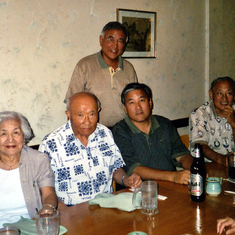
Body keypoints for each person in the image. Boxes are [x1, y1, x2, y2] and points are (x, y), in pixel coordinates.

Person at [39, 92, 141, 206]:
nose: (87, 122)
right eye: (80, 115)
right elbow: (44, 186)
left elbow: (115, 168)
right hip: (71, 209)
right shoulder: (51, 143)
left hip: (106, 205)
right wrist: (64, 212)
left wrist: (126, 179)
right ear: (68, 114)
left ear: (98, 111)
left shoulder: (105, 133)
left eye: (92, 114)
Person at [112, 83, 193, 185]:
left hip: (171, 186)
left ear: (150, 103)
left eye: (142, 100)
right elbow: (133, 168)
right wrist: (173, 176)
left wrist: (195, 169)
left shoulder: (164, 124)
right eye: (132, 102)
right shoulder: (120, 131)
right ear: (125, 108)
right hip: (139, 190)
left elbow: (181, 155)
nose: (138, 107)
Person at [64, 21, 138, 127]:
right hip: (92, 131)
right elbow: (72, 104)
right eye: (110, 39)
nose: (115, 46)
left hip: (123, 132)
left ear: (125, 44)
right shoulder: (85, 65)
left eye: (120, 41)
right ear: (101, 40)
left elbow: (134, 103)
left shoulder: (129, 68)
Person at [0, 111, 57, 228]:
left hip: (31, 225)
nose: (10, 139)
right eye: (3, 134)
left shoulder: (38, 160)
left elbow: (48, 194)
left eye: (16, 132)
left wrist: (48, 208)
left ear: (24, 137)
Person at [189, 77, 235, 165]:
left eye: (229, 93)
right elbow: (200, 146)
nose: (224, 98)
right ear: (211, 95)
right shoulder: (199, 114)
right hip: (207, 166)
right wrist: (223, 160)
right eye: (219, 93)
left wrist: (234, 125)